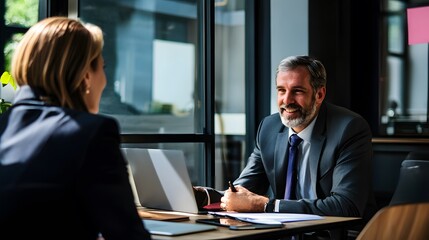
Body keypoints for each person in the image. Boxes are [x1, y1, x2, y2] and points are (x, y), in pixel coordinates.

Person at [0, 17, 151, 239]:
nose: (106, 79)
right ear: (86, 75)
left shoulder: (5, 127)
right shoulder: (91, 133)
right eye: (103, 66)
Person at [195, 55, 377, 236]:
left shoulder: (349, 129)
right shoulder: (269, 128)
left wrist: (266, 205)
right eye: (281, 90)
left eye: (297, 91)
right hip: (283, 233)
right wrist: (201, 195)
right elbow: (241, 193)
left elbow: (346, 205)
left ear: (319, 94)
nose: (287, 100)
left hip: (333, 234)